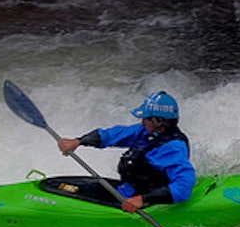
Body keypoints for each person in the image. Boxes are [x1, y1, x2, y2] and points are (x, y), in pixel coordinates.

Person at [56, 91, 195, 213]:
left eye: (146, 118)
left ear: (159, 121)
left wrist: (142, 200)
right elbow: (114, 134)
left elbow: (183, 187)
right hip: (127, 191)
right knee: (76, 189)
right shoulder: (146, 132)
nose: (142, 122)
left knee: (79, 193)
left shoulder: (173, 148)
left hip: (144, 202)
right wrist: (79, 141)